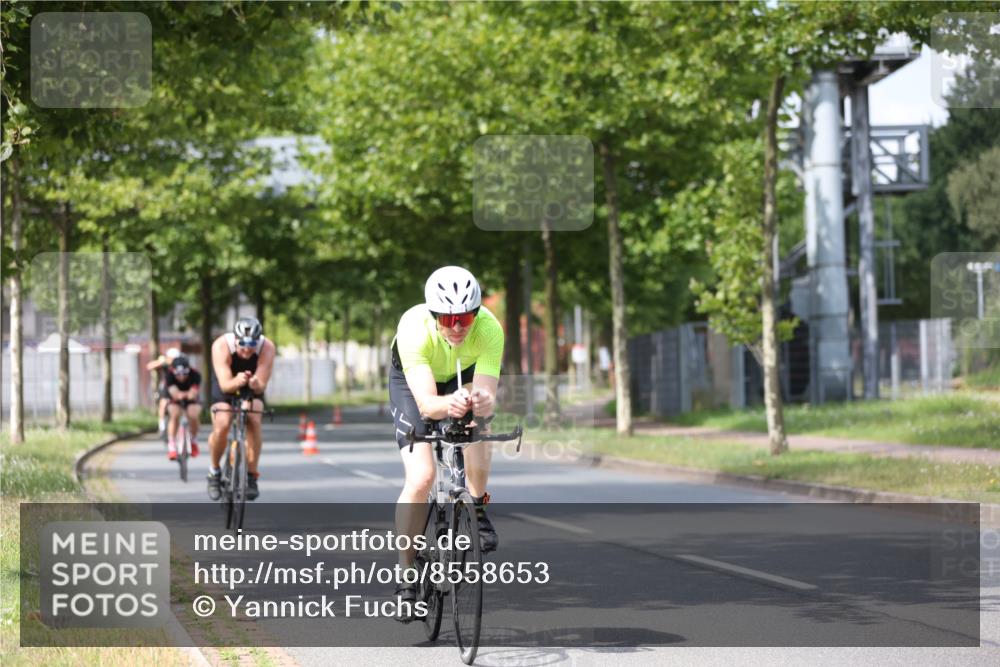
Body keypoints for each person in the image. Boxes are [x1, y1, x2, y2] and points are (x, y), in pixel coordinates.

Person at [388, 266, 502, 619]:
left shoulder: (489, 329)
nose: (457, 326)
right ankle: (406, 576)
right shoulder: (413, 329)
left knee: (479, 424)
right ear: (434, 314)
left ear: (477, 313)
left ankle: (477, 506)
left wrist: (478, 402)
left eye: (465, 317)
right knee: (421, 477)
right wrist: (446, 404)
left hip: (462, 375)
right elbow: (426, 404)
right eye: (449, 318)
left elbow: (488, 394)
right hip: (413, 383)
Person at [206, 317, 275, 502]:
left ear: (258, 340)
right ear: (235, 339)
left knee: (254, 418)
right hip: (226, 384)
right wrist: (238, 380)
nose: (247, 348)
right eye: (242, 343)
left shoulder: (267, 347)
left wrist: (254, 383)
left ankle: (251, 476)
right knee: (222, 423)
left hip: (251, 387)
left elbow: (261, 386)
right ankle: (214, 471)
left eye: (252, 343)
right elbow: (226, 385)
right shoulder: (221, 346)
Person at [164, 355, 202, 460]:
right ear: (173, 371)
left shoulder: (195, 374)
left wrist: (188, 395)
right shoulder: (169, 375)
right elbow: (174, 393)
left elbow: (193, 393)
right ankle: (171, 444)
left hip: (191, 398)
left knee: (193, 414)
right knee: (174, 414)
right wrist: (180, 395)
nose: (181, 377)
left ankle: (193, 440)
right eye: (178, 374)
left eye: (184, 374)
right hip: (174, 398)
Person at [147, 347, 181, 436]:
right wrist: (160, 362)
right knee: (163, 404)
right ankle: (162, 425)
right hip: (166, 387)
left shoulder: (180, 364)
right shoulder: (165, 363)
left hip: (178, 387)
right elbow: (149, 366)